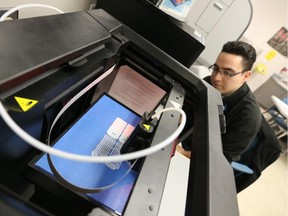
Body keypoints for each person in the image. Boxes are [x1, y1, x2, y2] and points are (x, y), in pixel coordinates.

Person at [178, 41, 262, 163]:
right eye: (216, 68)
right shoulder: (208, 83)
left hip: (196, 162)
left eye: (227, 73)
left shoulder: (248, 116)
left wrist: (182, 153)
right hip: (181, 140)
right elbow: (185, 108)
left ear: (246, 76)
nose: (216, 78)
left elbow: (221, 158)